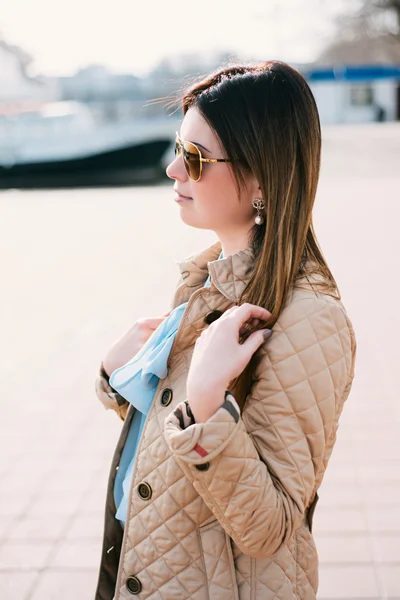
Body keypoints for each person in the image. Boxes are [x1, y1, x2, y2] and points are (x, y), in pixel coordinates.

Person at [93, 60, 357, 600]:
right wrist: (114, 376)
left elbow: (272, 528)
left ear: (261, 176)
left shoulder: (310, 318)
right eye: (177, 149)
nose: (174, 171)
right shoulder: (207, 280)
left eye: (194, 158)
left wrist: (206, 405)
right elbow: (174, 429)